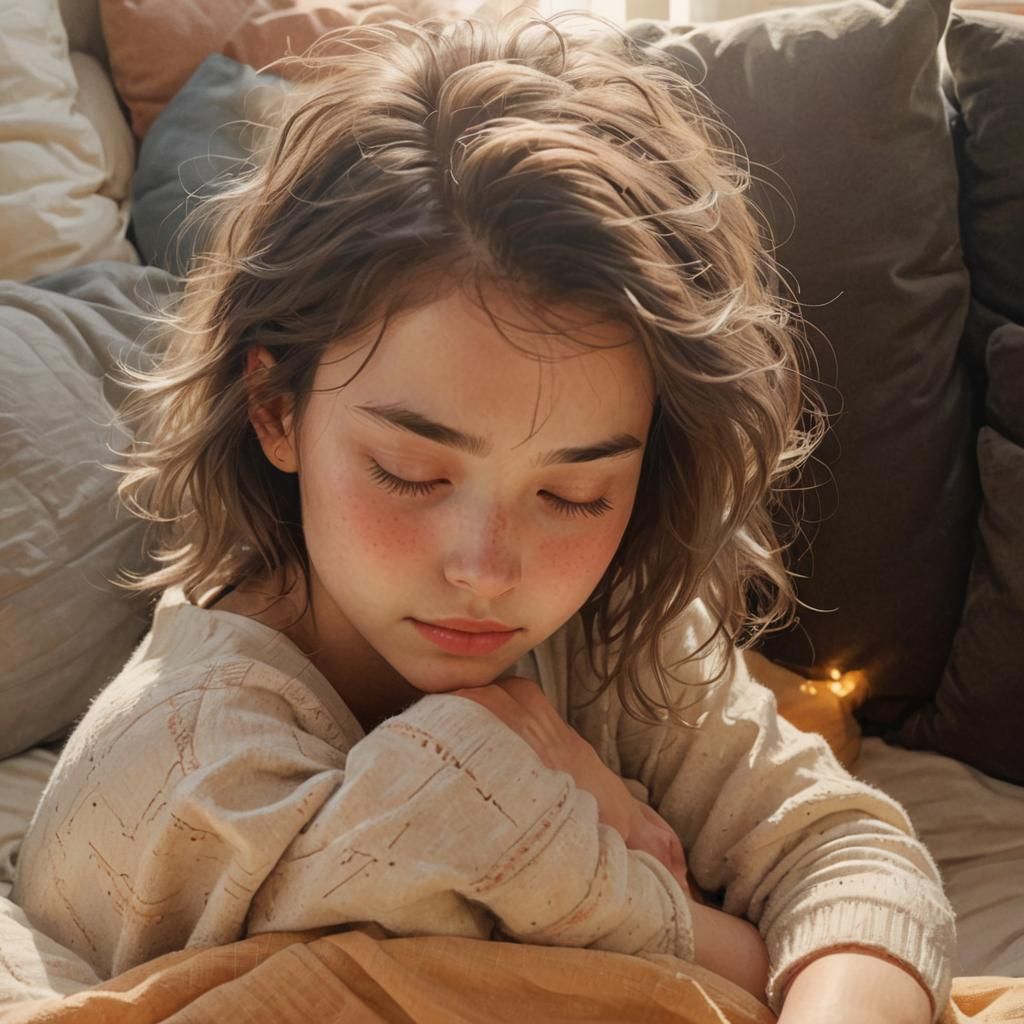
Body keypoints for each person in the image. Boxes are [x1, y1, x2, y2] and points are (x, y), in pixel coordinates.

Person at [12, 13, 954, 1024]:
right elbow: (440, 851)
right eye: (412, 472)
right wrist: (596, 814)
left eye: (572, 493)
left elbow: (848, 848)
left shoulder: (602, 633)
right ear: (276, 410)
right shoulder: (180, 766)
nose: (488, 568)